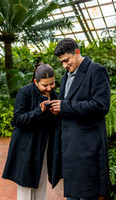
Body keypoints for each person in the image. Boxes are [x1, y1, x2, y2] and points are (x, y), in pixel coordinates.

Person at [50, 38, 110, 200]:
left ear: (77, 53)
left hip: (88, 148)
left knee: (87, 195)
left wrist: (65, 106)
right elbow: (65, 106)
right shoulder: (65, 77)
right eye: (61, 62)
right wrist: (57, 110)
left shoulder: (96, 71)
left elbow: (101, 106)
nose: (64, 65)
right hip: (69, 148)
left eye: (66, 61)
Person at [2, 63, 58, 200]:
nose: (49, 88)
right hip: (25, 145)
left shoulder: (54, 93)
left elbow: (53, 121)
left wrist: (56, 113)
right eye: (45, 85)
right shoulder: (25, 92)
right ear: (35, 82)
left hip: (44, 143)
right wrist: (39, 111)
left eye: (52, 84)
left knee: (41, 180)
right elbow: (18, 119)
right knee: (25, 183)